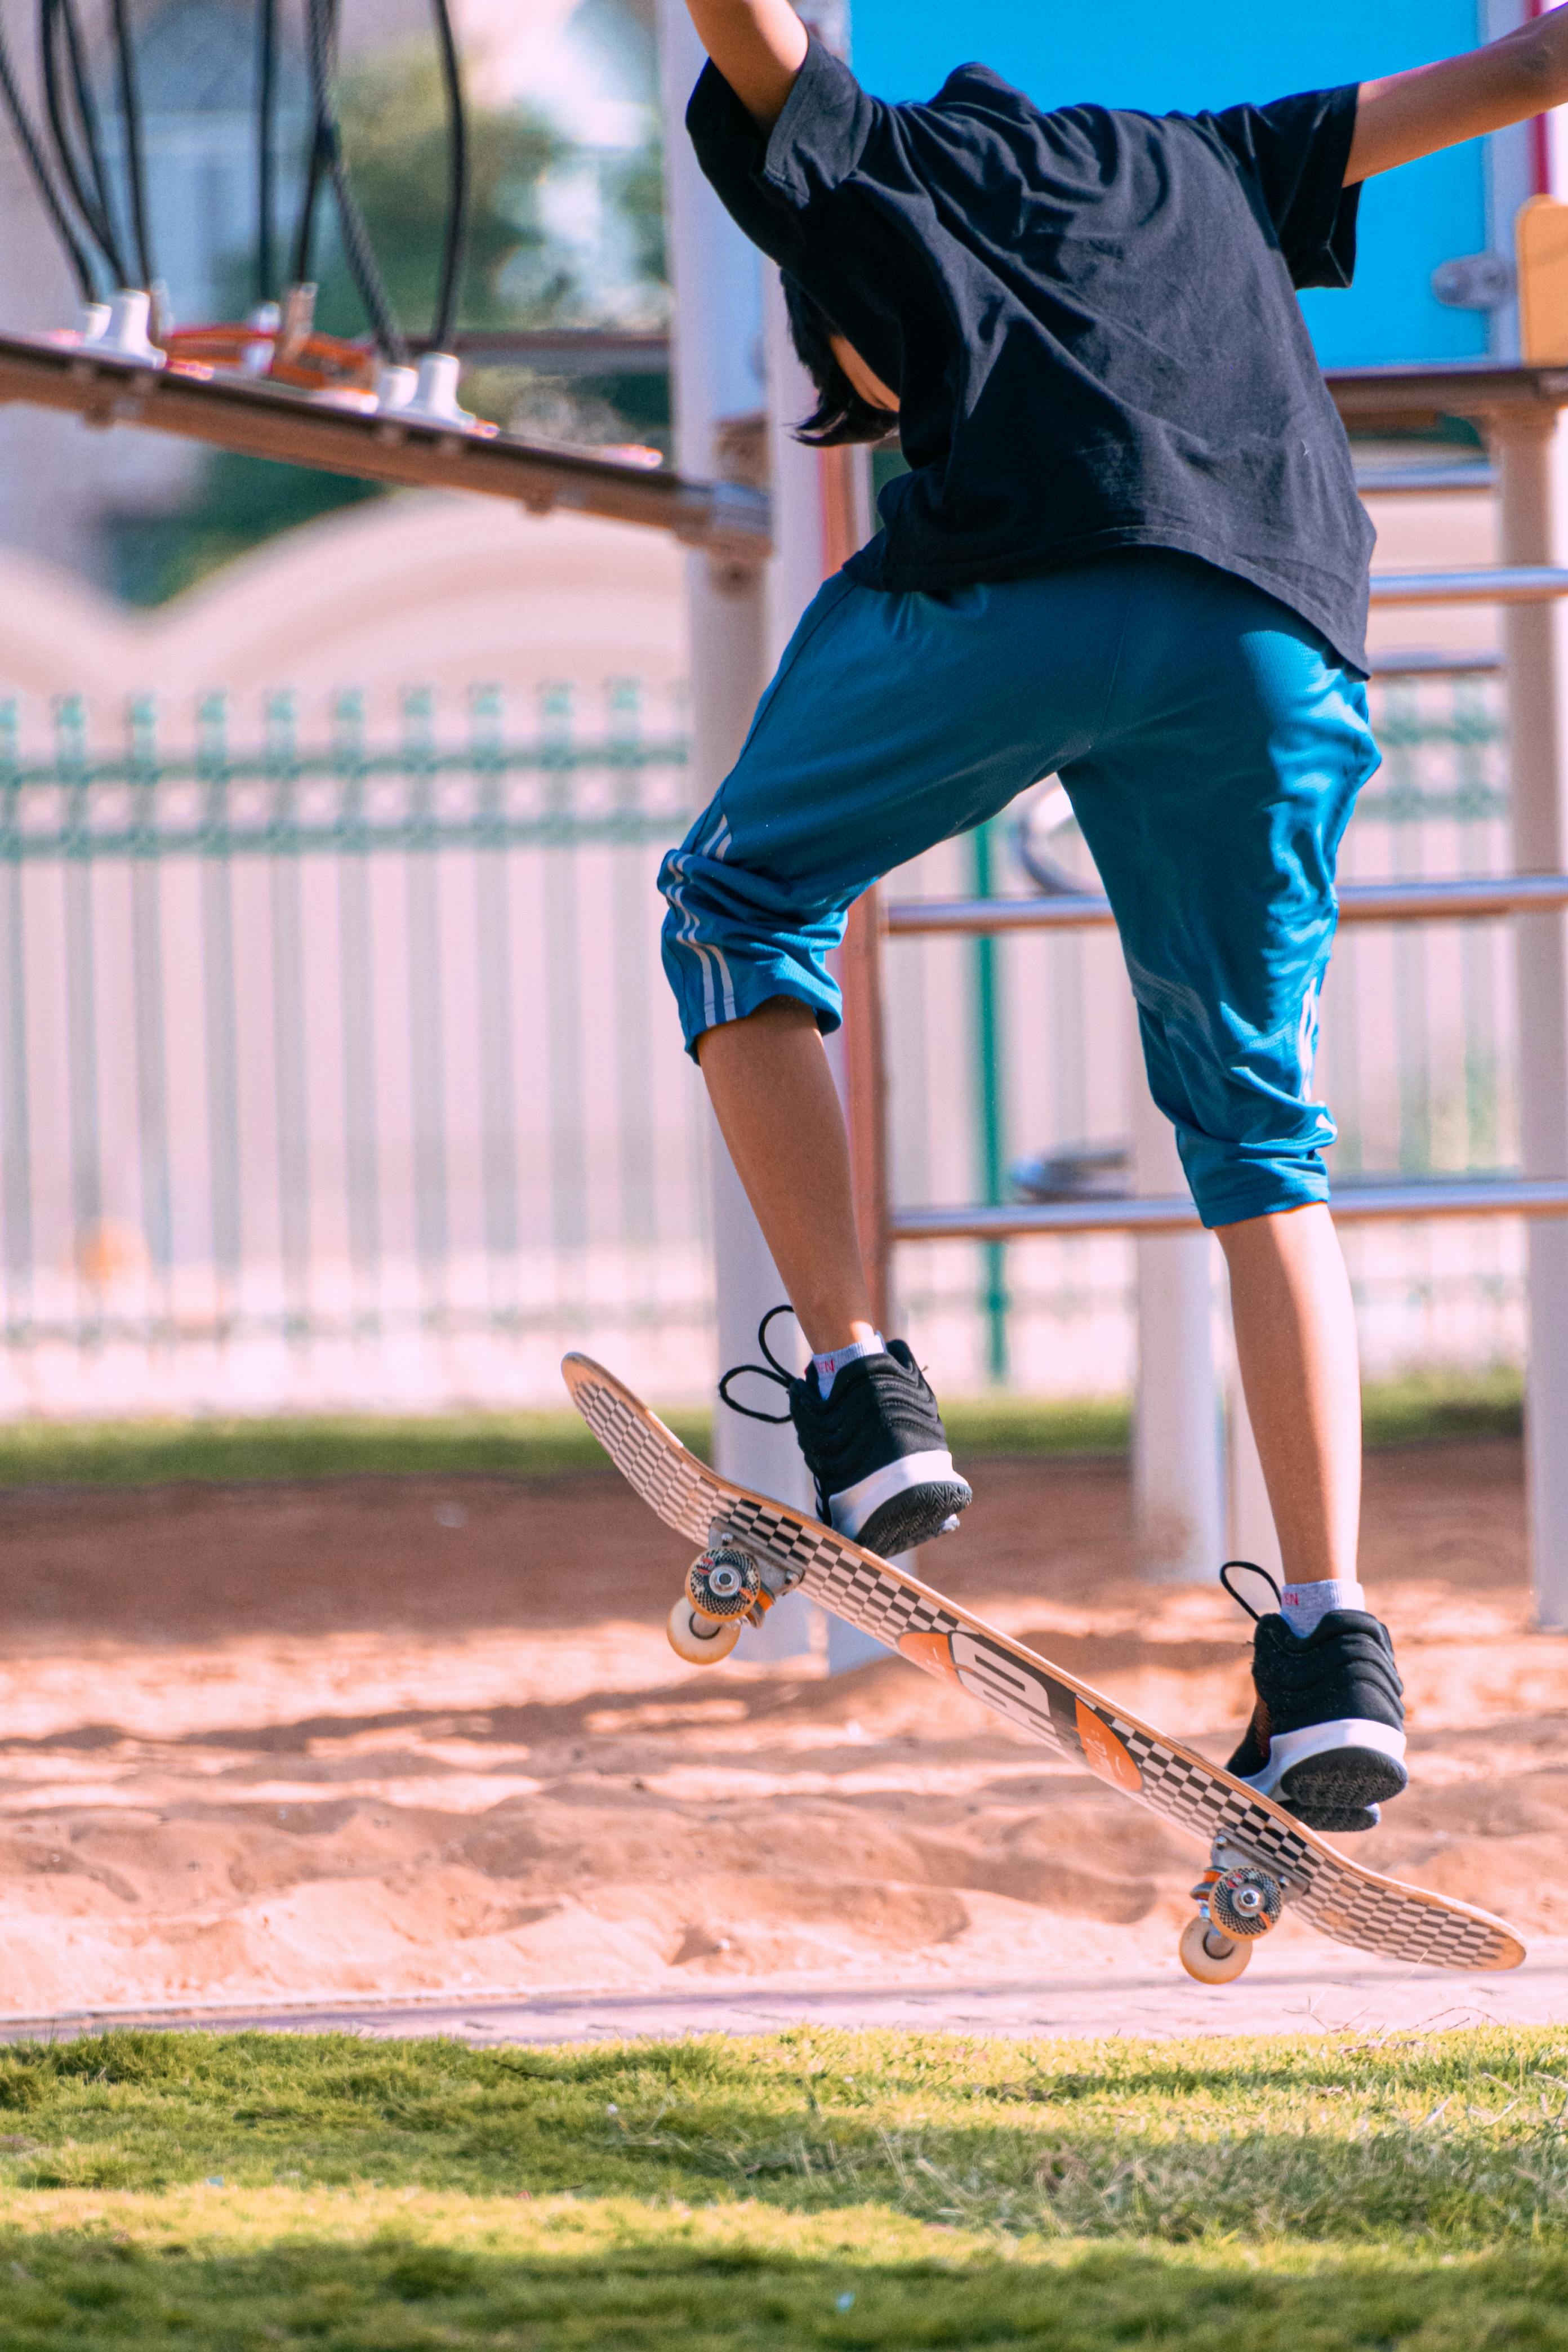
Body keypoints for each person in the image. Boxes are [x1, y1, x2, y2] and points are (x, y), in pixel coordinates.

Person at [658, 0, 1568, 1830]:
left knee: (735, 899)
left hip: (1035, 589)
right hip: (1281, 629)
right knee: (1262, 1141)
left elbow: (745, 28)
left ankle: (856, 1386)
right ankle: (1334, 1657)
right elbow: (1524, 64)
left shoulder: (873, 153)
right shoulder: (1222, 159)